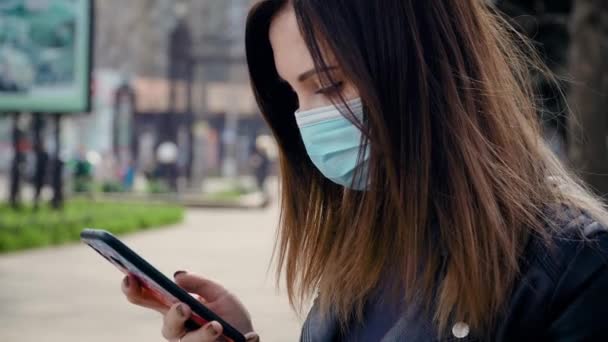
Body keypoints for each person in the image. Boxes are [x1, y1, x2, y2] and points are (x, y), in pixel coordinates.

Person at [122, 0, 608, 341]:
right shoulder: (363, 251)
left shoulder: (577, 268)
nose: (308, 117)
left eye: (329, 84)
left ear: (423, 63)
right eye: (294, 94)